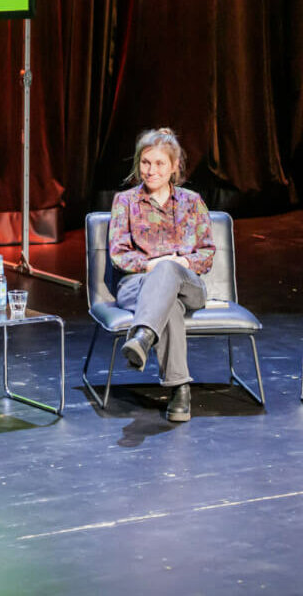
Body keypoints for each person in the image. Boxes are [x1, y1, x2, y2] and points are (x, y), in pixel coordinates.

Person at [108, 128, 216, 422]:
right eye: (145, 162)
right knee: (170, 305)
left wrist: (176, 263)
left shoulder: (192, 202)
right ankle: (180, 390)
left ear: (174, 166)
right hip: (137, 285)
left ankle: (143, 336)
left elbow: (206, 253)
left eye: (159, 163)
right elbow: (118, 255)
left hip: (187, 284)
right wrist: (152, 266)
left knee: (169, 272)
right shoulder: (125, 202)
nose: (151, 170)